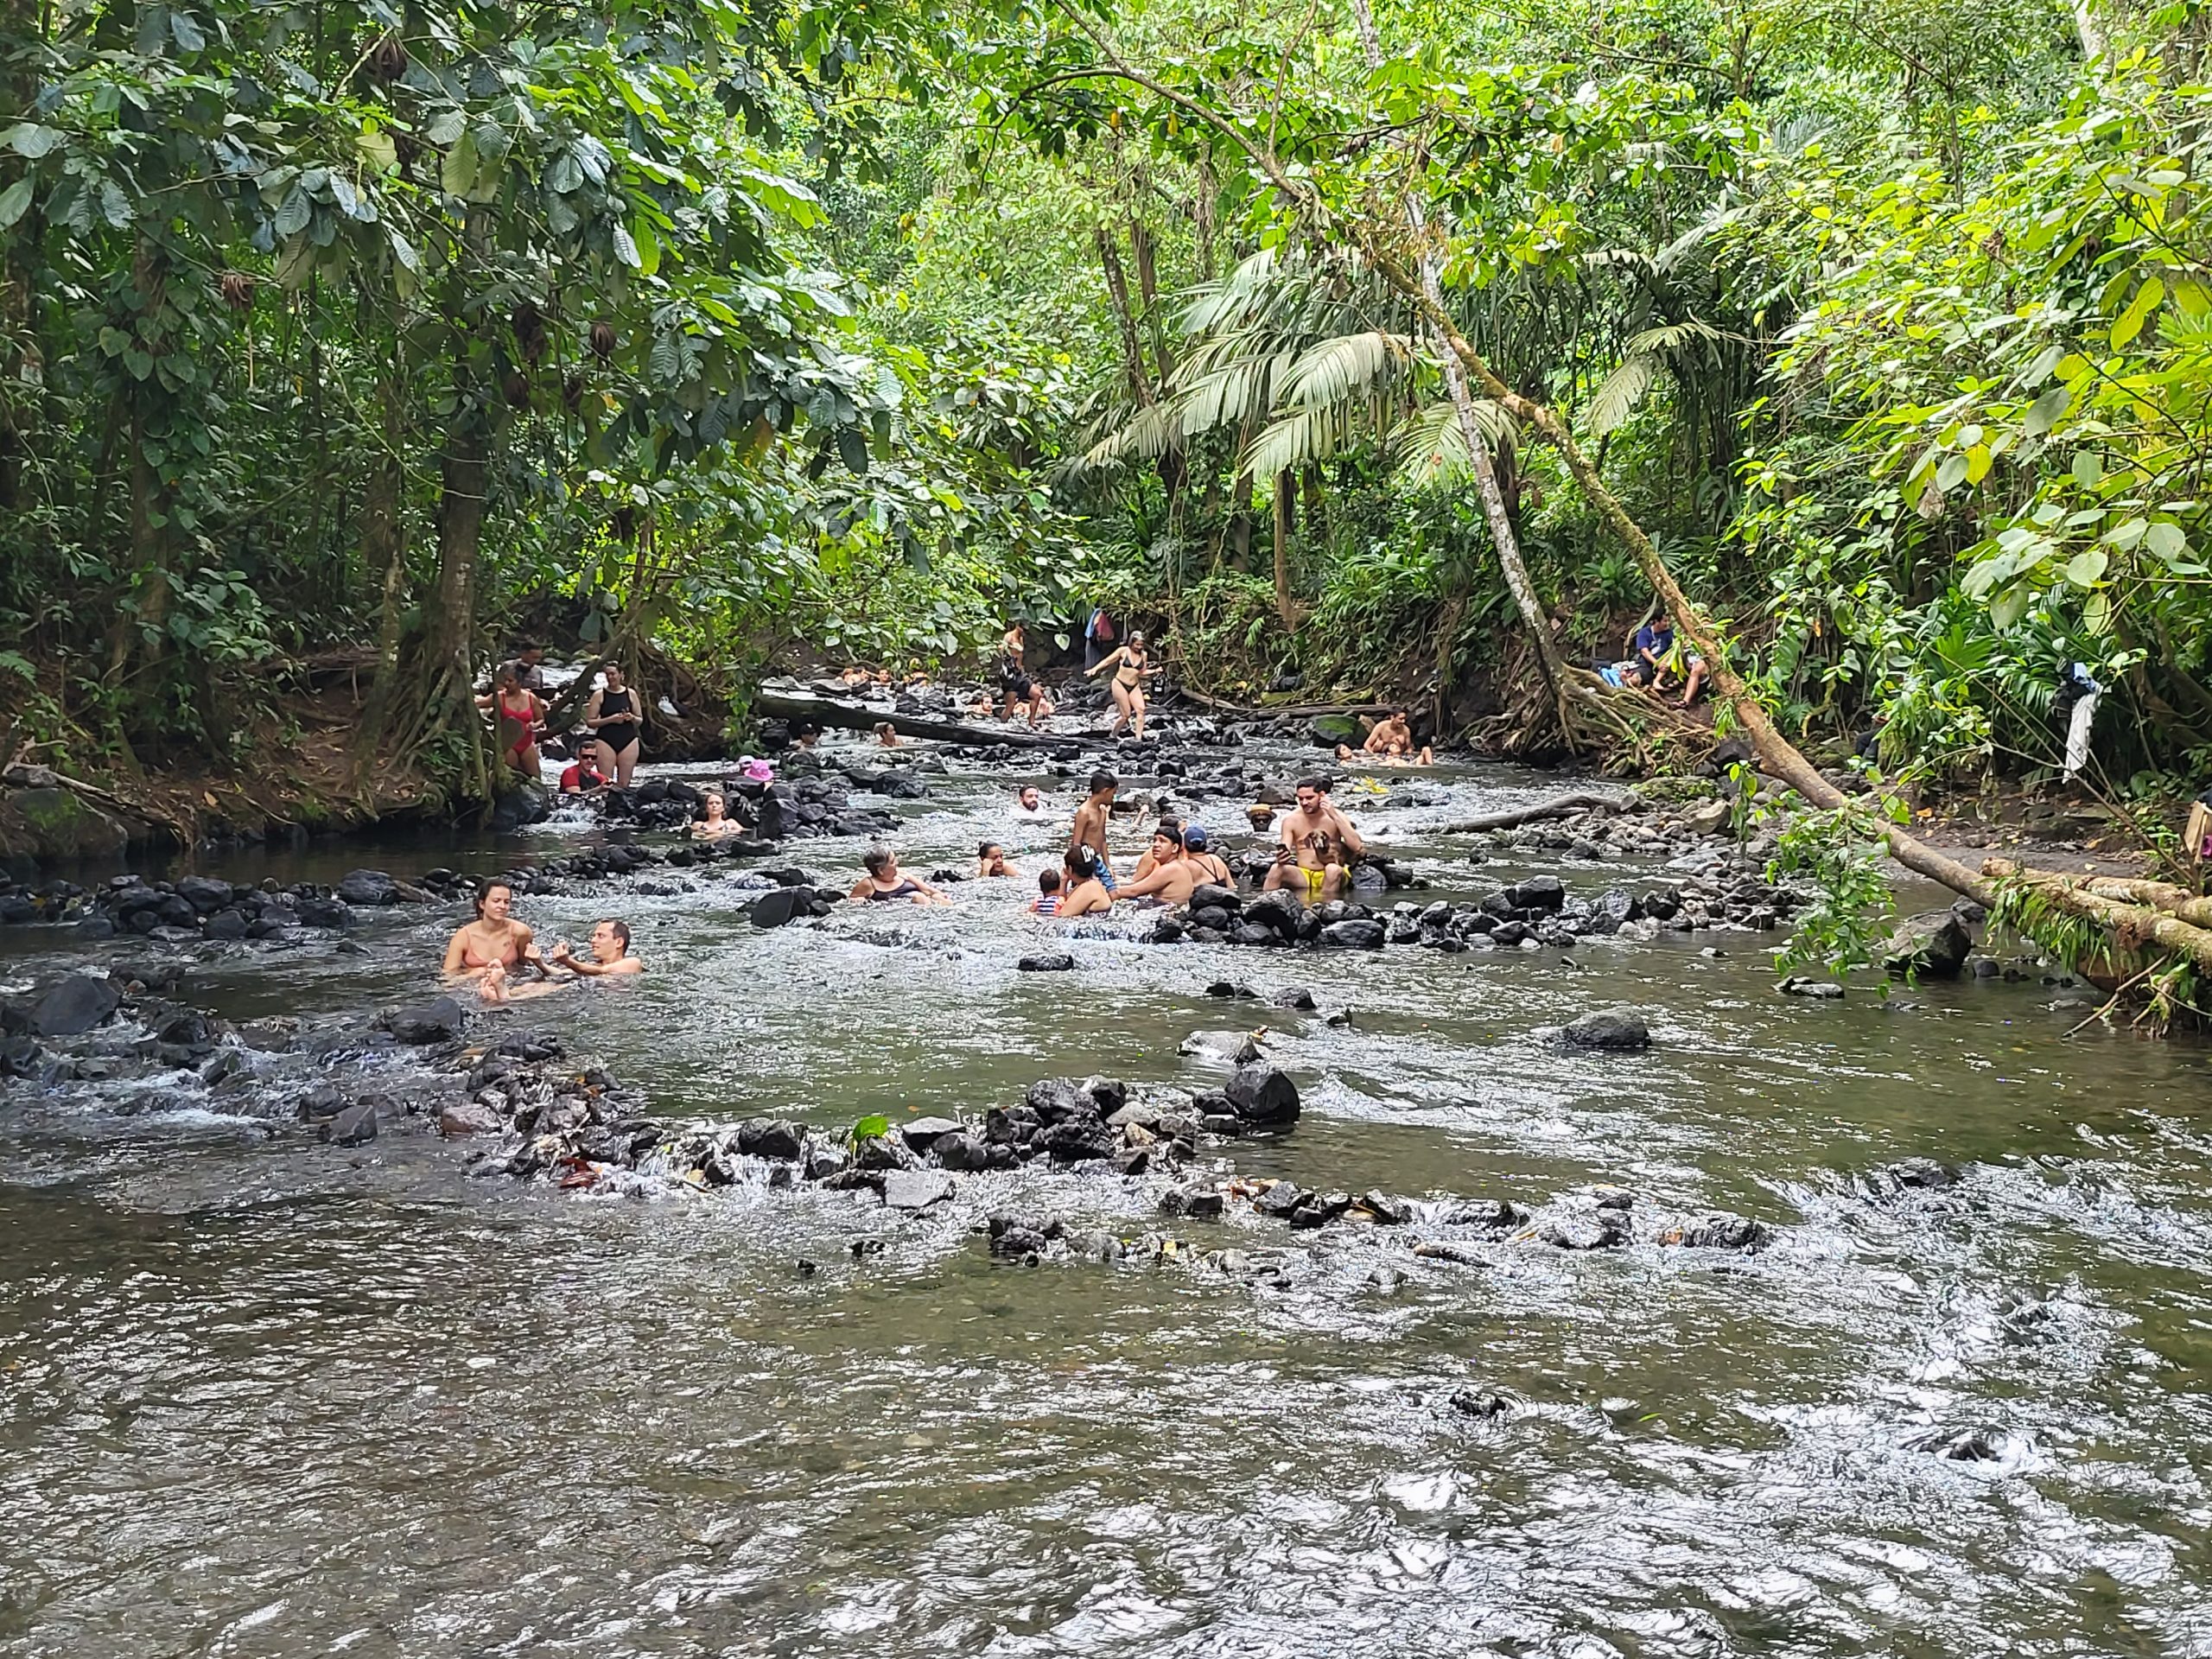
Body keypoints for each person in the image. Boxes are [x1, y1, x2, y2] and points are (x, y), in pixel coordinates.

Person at [441, 881, 550, 1004]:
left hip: (512, 984)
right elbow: (447, 979)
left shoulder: (521, 932)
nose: (502, 906)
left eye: (506, 902)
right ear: (482, 904)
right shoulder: (462, 937)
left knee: (550, 987)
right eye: (496, 901)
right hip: (474, 988)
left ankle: (503, 992)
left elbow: (523, 966)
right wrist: (472, 973)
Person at [1262, 776, 1363, 902]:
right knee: (1275, 869)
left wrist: (1334, 816)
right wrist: (1281, 856)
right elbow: (1285, 847)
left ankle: (1326, 910)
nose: (1304, 803)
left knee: (1332, 870)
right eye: (1301, 799)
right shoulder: (1291, 820)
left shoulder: (1336, 816)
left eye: (1309, 798)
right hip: (1304, 875)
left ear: (1321, 796)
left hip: (1331, 873)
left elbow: (1357, 847)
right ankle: (1265, 905)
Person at [479, 664, 545, 778]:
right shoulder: (499, 697)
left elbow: (541, 719)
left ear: (520, 683)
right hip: (508, 744)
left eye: (511, 681)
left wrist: (534, 725)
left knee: (536, 777)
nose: (507, 683)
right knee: (512, 776)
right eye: (506, 680)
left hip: (527, 743)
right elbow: (478, 704)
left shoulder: (531, 698)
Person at [582, 664, 641, 788]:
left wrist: (631, 718)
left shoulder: (631, 693)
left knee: (624, 784)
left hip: (629, 739)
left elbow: (639, 719)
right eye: (607, 674)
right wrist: (611, 719)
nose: (610, 677)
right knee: (606, 782)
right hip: (605, 740)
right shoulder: (599, 694)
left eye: (613, 674)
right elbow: (590, 722)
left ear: (621, 675)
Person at [1116, 827, 1205, 907]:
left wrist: (1108, 893)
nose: (1156, 845)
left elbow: (1133, 891)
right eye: (1155, 840)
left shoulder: (1170, 869)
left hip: (1167, 914)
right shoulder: (1176, 866)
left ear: (1174, 848)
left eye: (1162, 841)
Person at [1088, 630, 1151, 738]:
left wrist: (1156, 671)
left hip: (1134, 685)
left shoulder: (1144, 655)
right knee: (1126, 715)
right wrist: (1094, 669)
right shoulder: (1123, 651)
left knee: (1141, 710)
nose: (1139, 647)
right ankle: (1113, 734)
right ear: (1131, 643)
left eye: (1141, 645)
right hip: (1120, 684)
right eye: (1137, 644)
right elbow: (1108, 661)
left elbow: (1142, 672)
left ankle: (1138, 739)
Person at [1069, 769, 1119, 893]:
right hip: (1084, 861)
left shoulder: (1102, 810)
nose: (1113, 797)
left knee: (1111, 887)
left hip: (1096, 859)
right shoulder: (1084, 812)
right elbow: (1076, 844)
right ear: (1105, 791)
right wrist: (1078, 871)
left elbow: (1102, 839)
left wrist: (1108, 865)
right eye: (1113, 794)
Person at [849, 847, 950, 906]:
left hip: (925, 903)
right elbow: (851, 900)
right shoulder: (868, 884)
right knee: (919, 897)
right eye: (892, 862)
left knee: (937, 897)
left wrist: (942, 896)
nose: (897, 863)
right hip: (904, 908)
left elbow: (927, 890)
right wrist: (859, 900)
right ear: (881, 870)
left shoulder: (903, 875)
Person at [998, 621, 1052, 727]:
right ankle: (1001, 726)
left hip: (1020, 674)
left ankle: (1031, 722)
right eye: (1023, 630)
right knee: (1010, 705)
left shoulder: (1021, 639)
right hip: (1010, 674)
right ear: (1018, 627)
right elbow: (1002, 650)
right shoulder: (1009, 636)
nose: (1024, 633)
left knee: (1037, 694)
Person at [551, 918, 645, 978]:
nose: (593, 940)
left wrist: (567, 961)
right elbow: (559, 973)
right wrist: (539, 962)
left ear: (619, 942)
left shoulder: (633, 963)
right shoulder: (593, 966)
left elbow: (602, 971)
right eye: (594, 936)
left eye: (600, 936)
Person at [2060, 659, 2101, 782]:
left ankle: (2078, 763)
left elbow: (2087, 685)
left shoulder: (2079, 669)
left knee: (2080, 733)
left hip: (2086, 699)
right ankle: (2073, 767)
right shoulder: (2069, 678)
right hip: (2077, 704)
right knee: (2073, 737)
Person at [1056, 845, 1114, 917]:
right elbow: (1063, 903)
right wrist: (1063, 882)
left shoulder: (1088, 888)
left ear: (1070, 869)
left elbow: (1061, 915)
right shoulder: (1092, 884)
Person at [1365, 709, 1434, 766]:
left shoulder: (1406, 730)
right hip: (1384, 757)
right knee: (1379, 744)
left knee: (1426, 749)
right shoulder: (1381, 726)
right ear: (1392, 717)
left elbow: (1409, 747)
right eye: (1400, 719)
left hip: (1401, 757)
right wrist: (1373, 755)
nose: (1403, 721)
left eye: (1404, 719)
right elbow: (1367, 745)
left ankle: (1431, 769)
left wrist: (1409, 753)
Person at [1180, 824, 1234, 889]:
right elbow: (1232, 887)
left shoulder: (1184, 867)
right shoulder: (1216, 860)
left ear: (1184, 845)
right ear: (1206, 844)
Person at [1628, 615, 1674, 690]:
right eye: (1665, 621)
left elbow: (1673, 649)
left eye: (1669, 621)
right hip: (1648, 662)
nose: (1667, 623)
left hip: (1664, 661)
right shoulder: (1644, 632)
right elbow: (1644, 651)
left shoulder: (1669, 633)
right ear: (1656, 622)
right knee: (1639, 677)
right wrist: (1657, 663)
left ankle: (1657, 681)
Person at [1084, 604, 1118, 671]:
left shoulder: (1099, 613)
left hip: (1094, 638)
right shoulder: (1099, 613)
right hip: (1095, 639)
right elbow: (1097, 624)